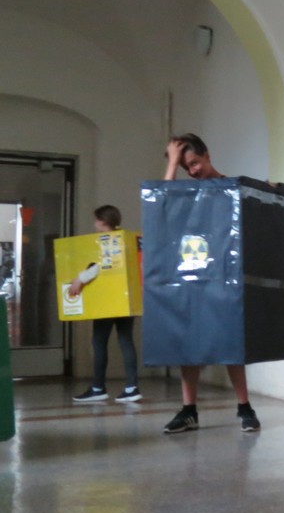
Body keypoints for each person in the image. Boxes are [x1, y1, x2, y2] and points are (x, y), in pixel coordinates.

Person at [159, 133, 261, 434]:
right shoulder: (185, 193)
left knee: (231, 341)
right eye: (185, 167)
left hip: (225, 276)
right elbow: (160, 205)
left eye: (194, 163)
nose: (192, 171)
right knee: (188, 344)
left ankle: (245, 407)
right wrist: (172, 164)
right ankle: (188, 411)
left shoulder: (232, 188)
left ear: (208, 156)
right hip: (192, 274)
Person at [70, 205, 142, 403]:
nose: (94, 224)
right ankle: (132, 387)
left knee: (99, 341)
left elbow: (100, 266)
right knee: (126, 340)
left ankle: (98, 387)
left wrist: (79, 279)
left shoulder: (107, 240)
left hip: (108, 299)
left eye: (96, 220)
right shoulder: (127, 239)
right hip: (127, 298)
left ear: (103, 221)